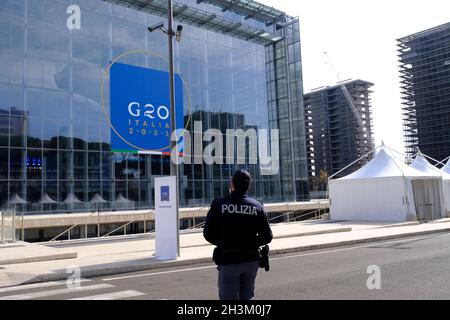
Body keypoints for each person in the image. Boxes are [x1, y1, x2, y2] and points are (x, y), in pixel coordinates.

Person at [203, 170, 273, 300]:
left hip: (229, 260)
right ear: (248, 186)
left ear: (232, 185)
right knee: (247, 298)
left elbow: (208, 234)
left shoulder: (219, 204)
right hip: (251, 260)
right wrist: (250, 243)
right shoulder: (258, 207)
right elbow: (267, 236)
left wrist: (225, 243)